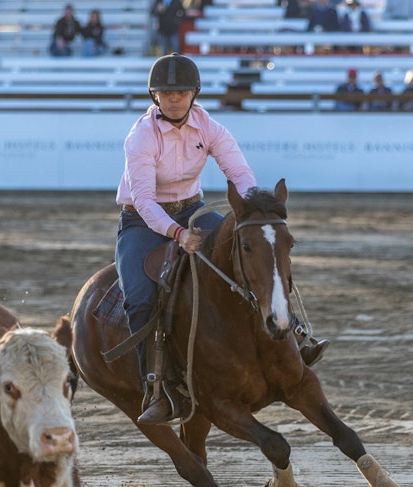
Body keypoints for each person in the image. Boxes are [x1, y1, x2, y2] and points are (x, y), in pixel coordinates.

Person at [115, 53, 329, 424]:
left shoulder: (209, 126)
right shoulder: (141, 137)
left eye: (181, 92)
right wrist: (179, 234)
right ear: (154, 97)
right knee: (138, 296)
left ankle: (294, 332)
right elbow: (146, 202)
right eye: (166, 93)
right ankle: (157, 386)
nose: (174, 99)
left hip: (193, 209)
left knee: (262, 250)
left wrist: (251, 211)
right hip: (141, 223)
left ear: (194, 94)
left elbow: (239, 173)